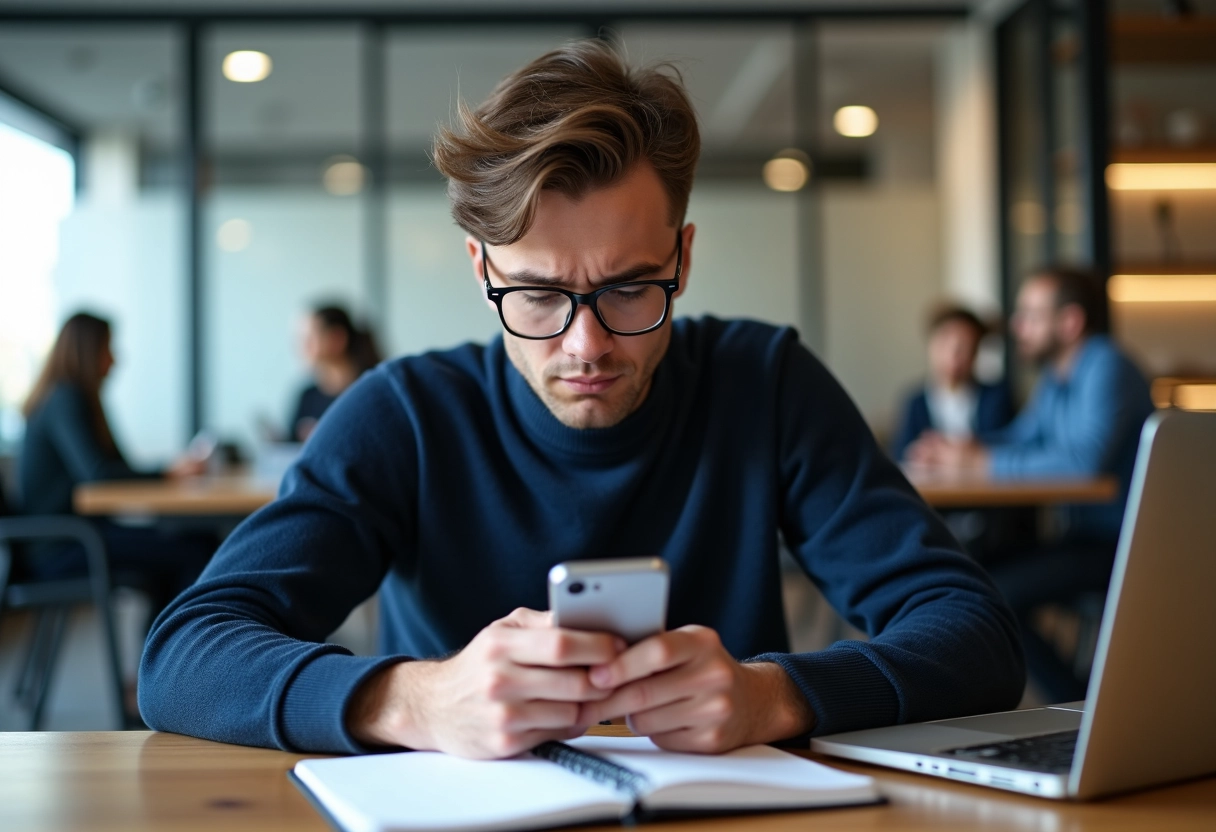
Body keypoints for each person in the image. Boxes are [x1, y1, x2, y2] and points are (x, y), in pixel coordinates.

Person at [139, 41, 1023, 758]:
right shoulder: (405, 413)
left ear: (681, 257)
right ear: (483, 268)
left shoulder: (767, 383)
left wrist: (776, 695)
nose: (586, 344)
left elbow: (977, 635)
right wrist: (410, 699)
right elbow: (183, 656)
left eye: (632, 289)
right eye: (537, 295)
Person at [907, 267, 1153, 702]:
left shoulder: (1106, 366)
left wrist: (980, 461)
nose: (1017, 327)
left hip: (1124, 545)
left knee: (996, 593)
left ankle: (1080, 705)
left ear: (1070, 322)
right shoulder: (1056, 379)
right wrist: (960, 447)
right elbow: (1020, 439)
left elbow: (1082, 464)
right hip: (1079, 537)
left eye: (1030, 315)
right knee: (972, 573)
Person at [19, 312, 214, 629]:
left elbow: (117, 469)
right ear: (88, 351)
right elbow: (98, 474)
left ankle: (157, 666)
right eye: (108, 348)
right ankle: (171, 665)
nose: (115, 358)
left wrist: (168, 471)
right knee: (194, 550)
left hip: (77, 536)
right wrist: (167, 473)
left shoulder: (80, 399)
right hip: (61, 544)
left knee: (187, 545)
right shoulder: (65, 399)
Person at [891, 304, 1012, 461]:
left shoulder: (996, 398)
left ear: (975, 352)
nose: (953, 354)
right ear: (930, 345)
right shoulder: (914, 401)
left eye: (964, 347)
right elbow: (899, 453)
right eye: (944, 343)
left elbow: (1006, 445)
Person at [291, 305, 382, 442]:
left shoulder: (372, 393)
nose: (302, 347)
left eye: (310, 338)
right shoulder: (307, 396)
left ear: (338, 338)